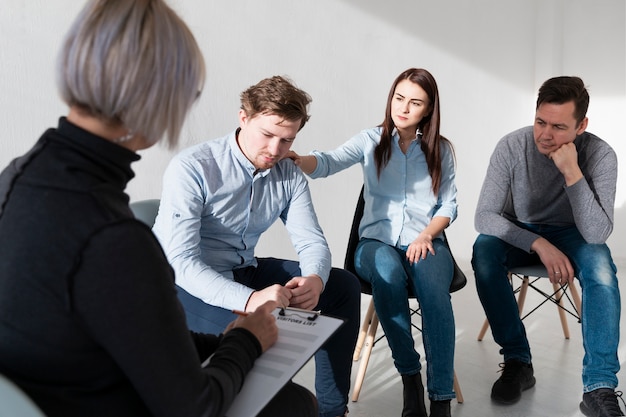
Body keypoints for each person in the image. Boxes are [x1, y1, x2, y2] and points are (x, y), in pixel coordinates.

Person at [0, 1, 317, 417]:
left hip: (49, 390)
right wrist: (249, 341)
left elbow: (123, 331)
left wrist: (235, 337)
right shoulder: (115, 238)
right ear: (160, 96)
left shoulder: (16, 177)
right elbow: (195, 407)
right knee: (294, 405)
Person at [152, 75, 361, 417]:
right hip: (184, 285)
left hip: (243, 270)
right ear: (244, 118)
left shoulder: (288, 172)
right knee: (265, 334)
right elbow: (181, 263)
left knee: (344, 286)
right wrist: (251, 300)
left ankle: (332, 411)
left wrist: (315, 280)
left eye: (287, 140)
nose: (276, 150)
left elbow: (311, 240)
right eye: (267, 135)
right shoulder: (192, 168)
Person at [288, 67, 459, 417]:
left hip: (426, 243)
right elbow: (330, 161)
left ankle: (440, 399)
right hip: (374, 245)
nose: (404, 108)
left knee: (435, 295)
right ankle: (410, 378)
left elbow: (448, 205)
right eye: (399, 98)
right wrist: (299, 159)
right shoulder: (372, 140)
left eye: (415, 102)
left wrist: (427, 234)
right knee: (387, 269)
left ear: (428, 109)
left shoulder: (441, 150)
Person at [471, 76, 622, 416]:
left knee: (601, 269)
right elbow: (484, 216)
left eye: (558, 126)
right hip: (522, 232)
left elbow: (597, 233)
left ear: (581, 125)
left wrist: (572, 173)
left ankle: (599, 387)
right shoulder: (512, 146)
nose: (545, 135)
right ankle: (517, 361)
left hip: (574, 233)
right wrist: (537, 243)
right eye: (540, 121)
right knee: (484, 252)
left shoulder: (600, 155)